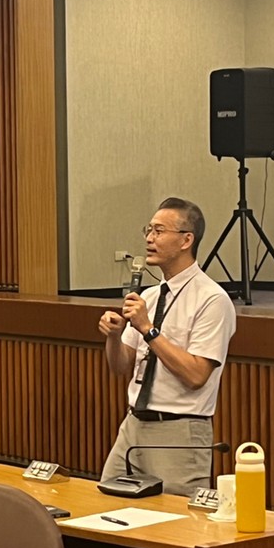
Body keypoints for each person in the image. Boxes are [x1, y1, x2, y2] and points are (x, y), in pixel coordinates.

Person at [98, 197, 237, 496]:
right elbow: (120, 366)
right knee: (106, 507)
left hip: (178, 432)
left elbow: (197, 375)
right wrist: (114, 336)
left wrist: (148, 330)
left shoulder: (211, 299)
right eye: (148, 230)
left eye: (159, 231)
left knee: (176, 519)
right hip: (132, 425)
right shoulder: (149, 296)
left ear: (186, 240)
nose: (150, 238)